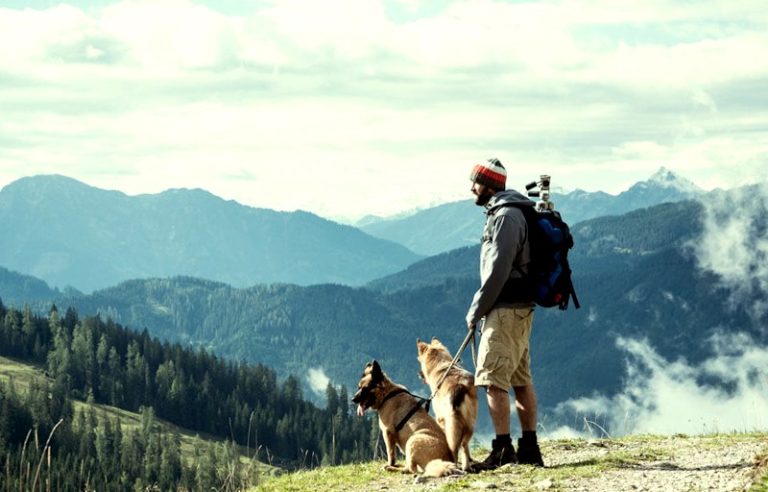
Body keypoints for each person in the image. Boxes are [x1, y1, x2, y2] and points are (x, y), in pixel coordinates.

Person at [466, 158, 544, 469]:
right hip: (519, 308)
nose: (471, 187)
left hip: (505, 309)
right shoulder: (515, 211)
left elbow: (498, 271)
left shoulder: (505, 217)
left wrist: (476, 309)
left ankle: (503, 450)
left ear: (489, 185)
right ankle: (529, 448)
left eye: (475, 182)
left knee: (493, 380)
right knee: (520, 378)